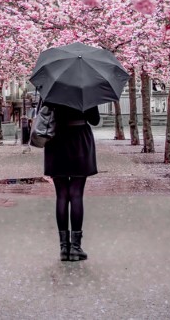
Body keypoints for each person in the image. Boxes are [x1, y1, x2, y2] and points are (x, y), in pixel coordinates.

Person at [44, 103, 100, 261]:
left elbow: (44, 114)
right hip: (79, 141)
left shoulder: (52, 91)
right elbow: (95, 120)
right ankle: (75, 248)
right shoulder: (85, 89)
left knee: (61, 195)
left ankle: (63, 248)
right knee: (76, 194)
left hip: (56, 141)